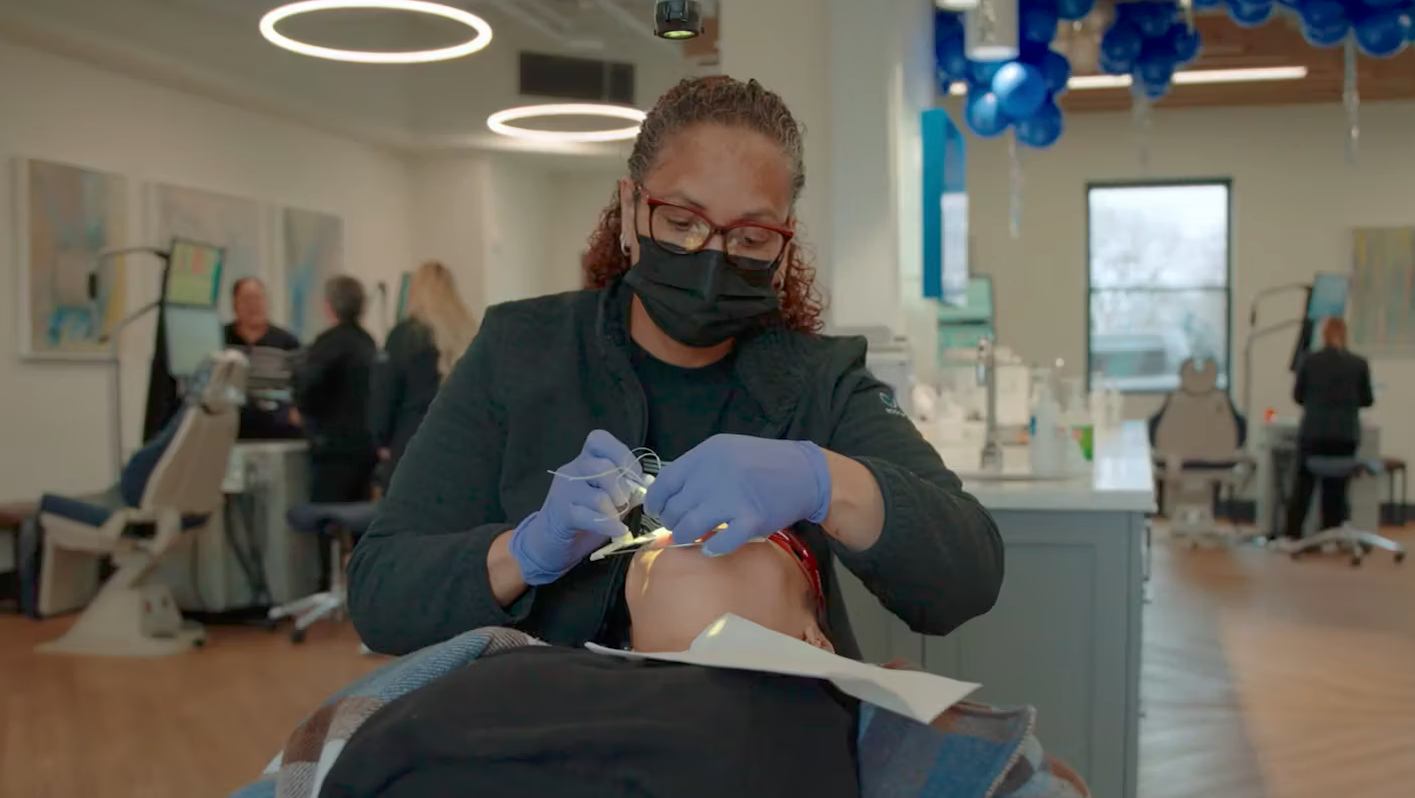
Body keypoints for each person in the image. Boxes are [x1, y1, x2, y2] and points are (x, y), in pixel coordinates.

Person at [348, 76, 1004, 659]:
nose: (711, 256)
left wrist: (826, 481)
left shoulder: (821, 382)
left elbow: (967, 578)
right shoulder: (520, 350)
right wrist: (523, 552)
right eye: (682, 222)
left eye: (751, 237)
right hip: (552, 721)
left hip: (761, 727)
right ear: (632, 209)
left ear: (783, 247)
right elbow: (381, 595)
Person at [369, 260, 476, 489]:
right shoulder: (469, 336)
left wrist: (380, 440)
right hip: (461, 451)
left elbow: (384, 395)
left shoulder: (405, 336)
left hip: (411, 449)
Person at [1282, 317, 1375, 542]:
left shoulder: (1309, 361)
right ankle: (1332, 534)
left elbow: (1298, 396)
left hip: (1313, 434)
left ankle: (1292, 536)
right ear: (1345, 335)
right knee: (1336, 488)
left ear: (1323, 336)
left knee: (1303, 486)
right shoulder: (1359, 364)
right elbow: (1367, 400)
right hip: (1345, 436)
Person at [293, 275, 378, 506]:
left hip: (334, 450)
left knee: (327, 513)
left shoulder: (328, 344)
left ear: (329, 306)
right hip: (365, 448)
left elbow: (309, 387)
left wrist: (300, 408)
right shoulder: (368, 342)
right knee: (357, 516)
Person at [224, 277, 302, 438]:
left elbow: (303, 385)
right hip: (232, 421)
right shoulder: (220, 339)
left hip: (277, 423)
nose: (254, 305)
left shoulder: (287, 342)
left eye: (259, 298)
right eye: (247, 299)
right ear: (234, 305)